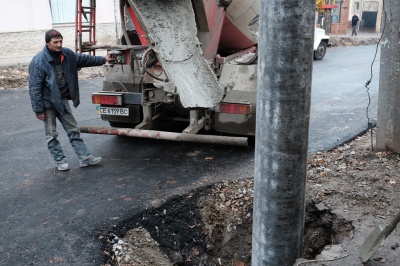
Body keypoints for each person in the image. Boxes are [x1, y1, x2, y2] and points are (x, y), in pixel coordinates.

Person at [29, 29, 112, 171]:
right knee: (51, 135)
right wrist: (38, 110)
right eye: (55, 42)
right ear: (48, 43)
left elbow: (84, 59)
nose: (59, 44)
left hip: (61, 100)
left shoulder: (66, 54)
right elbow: (34, 88)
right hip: (48, 104)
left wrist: (104, 59)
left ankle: (85, 158)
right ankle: (60, 161)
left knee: (73, 130)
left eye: (60, 41)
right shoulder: (39, 61)